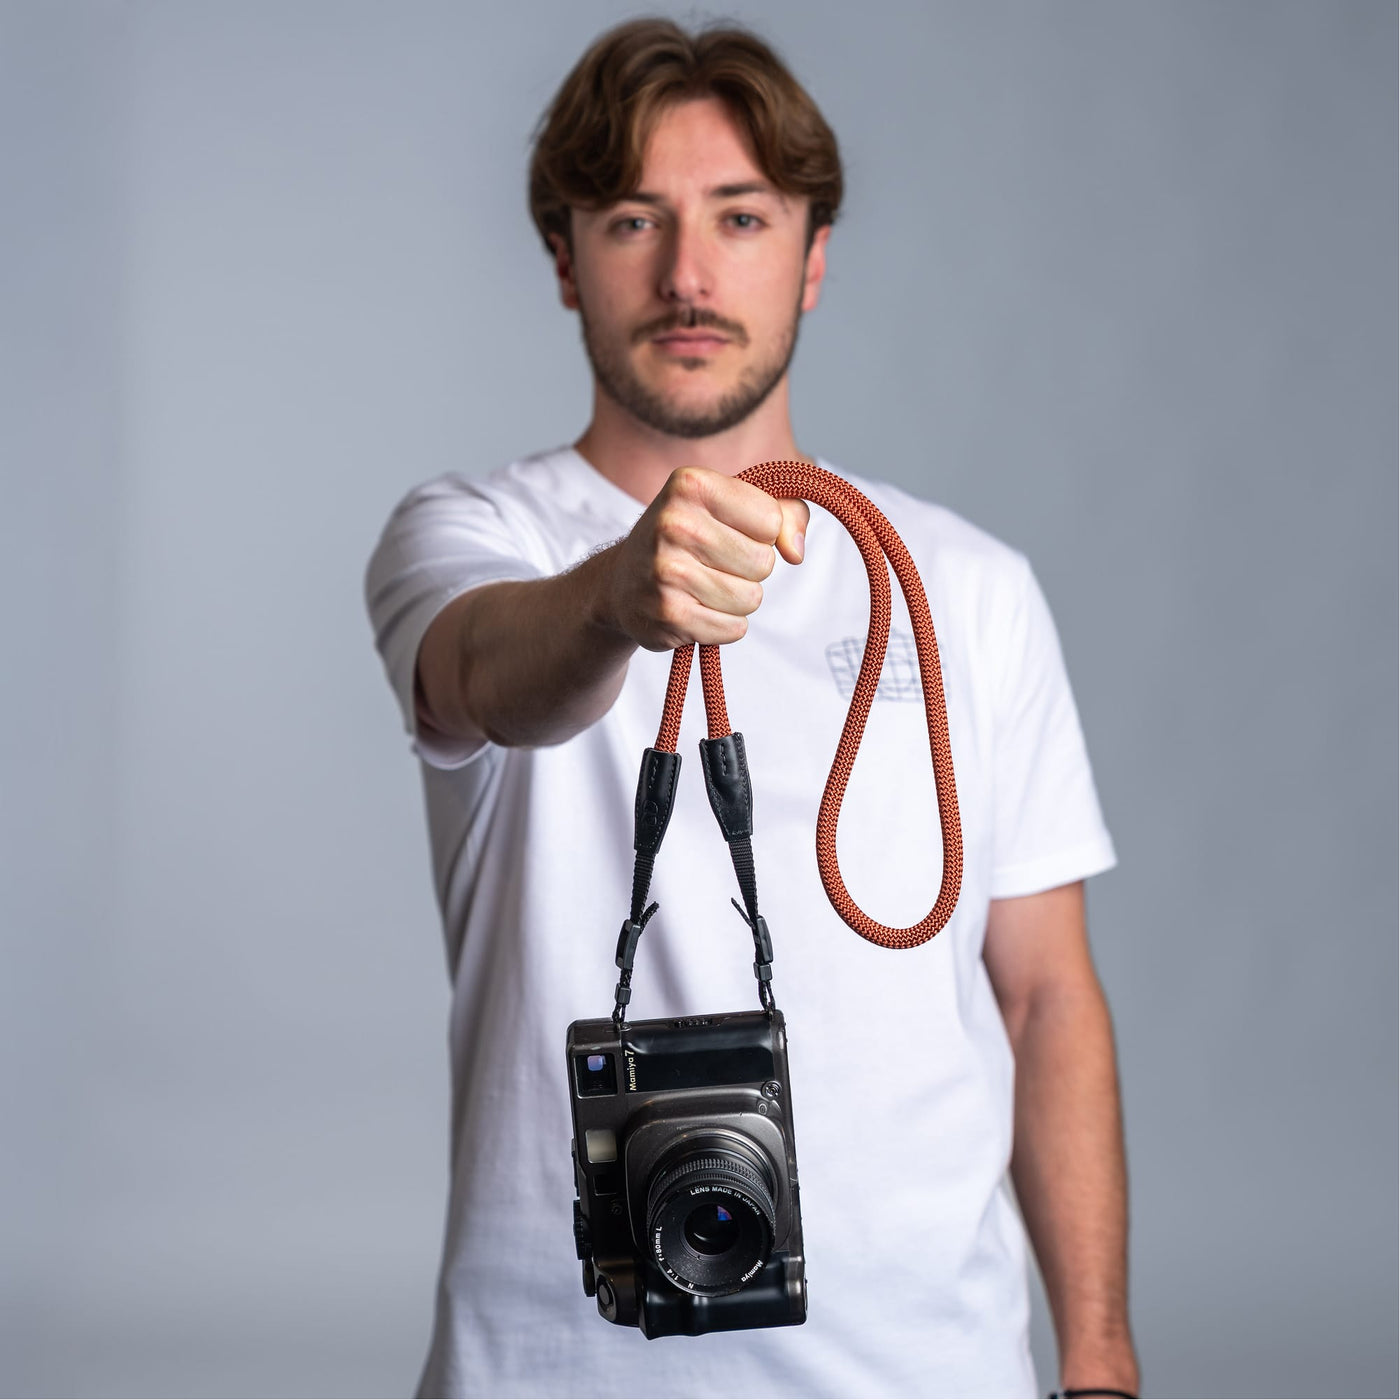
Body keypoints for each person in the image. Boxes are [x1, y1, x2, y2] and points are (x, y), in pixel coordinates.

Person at [365, 17, 1139, 1400]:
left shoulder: (968, 587)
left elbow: (1044, 998)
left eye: (740, 216)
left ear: (815, 255)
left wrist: (1097, 1359)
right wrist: (617, 596)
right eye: (629, 221)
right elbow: (484, 668)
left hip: (925, 1370)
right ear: (564, 261)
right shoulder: (471, 536)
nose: (688, 274)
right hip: (556, 1372)